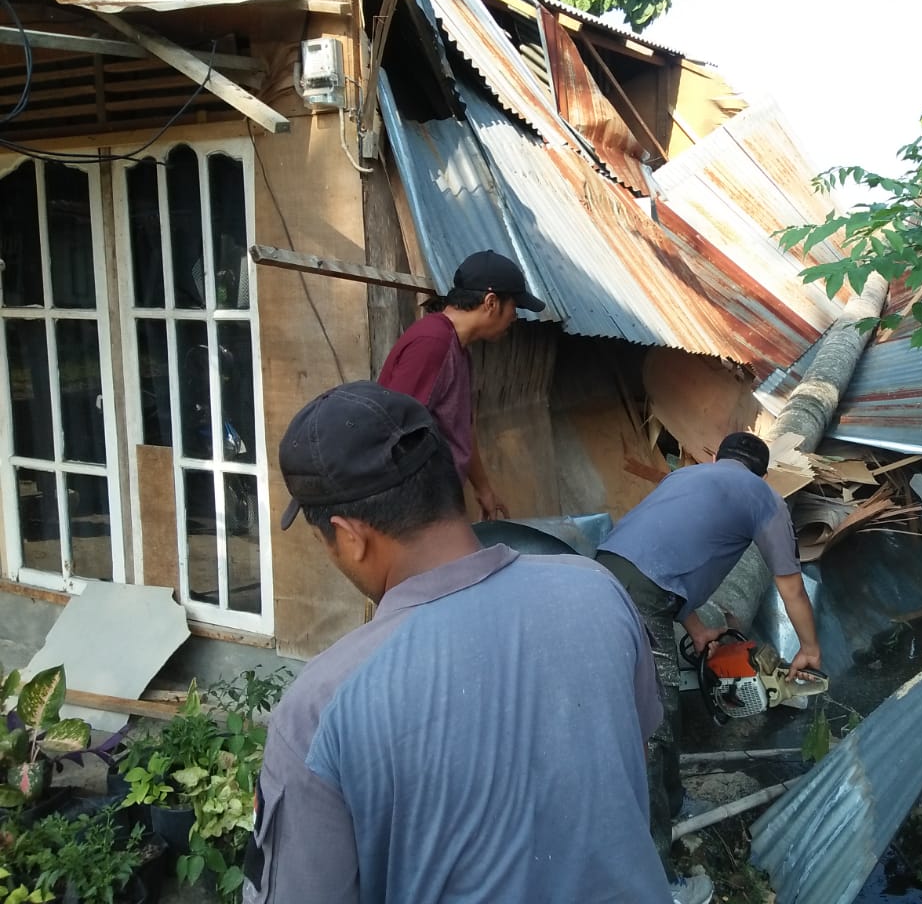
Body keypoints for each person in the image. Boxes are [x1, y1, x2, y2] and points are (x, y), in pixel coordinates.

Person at [243, 381, 670, 904]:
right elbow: (632, 769)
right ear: (449, 486)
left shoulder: (320, 708)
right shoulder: (598, 591)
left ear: (349, 536)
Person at [594, 433, 822, 904]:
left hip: (600, 576)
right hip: (641, 599)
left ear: (718, 457)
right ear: (763, 474)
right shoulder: (765, 499)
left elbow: (661, 555)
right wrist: (809, 648)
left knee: (656, 713)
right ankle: (658, 884)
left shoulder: (686, 476)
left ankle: (674, 804)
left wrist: (696, 628)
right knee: (652, 729)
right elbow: (792, 588)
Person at [377, 249, 545, 520]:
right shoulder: (432, 343)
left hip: (437, 501)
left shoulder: (458, 348)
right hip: (415, 507)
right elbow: (395, 432)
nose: (514, 318)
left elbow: (461, 426)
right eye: (514, 308)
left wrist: (483, 488)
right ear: (491, 302)